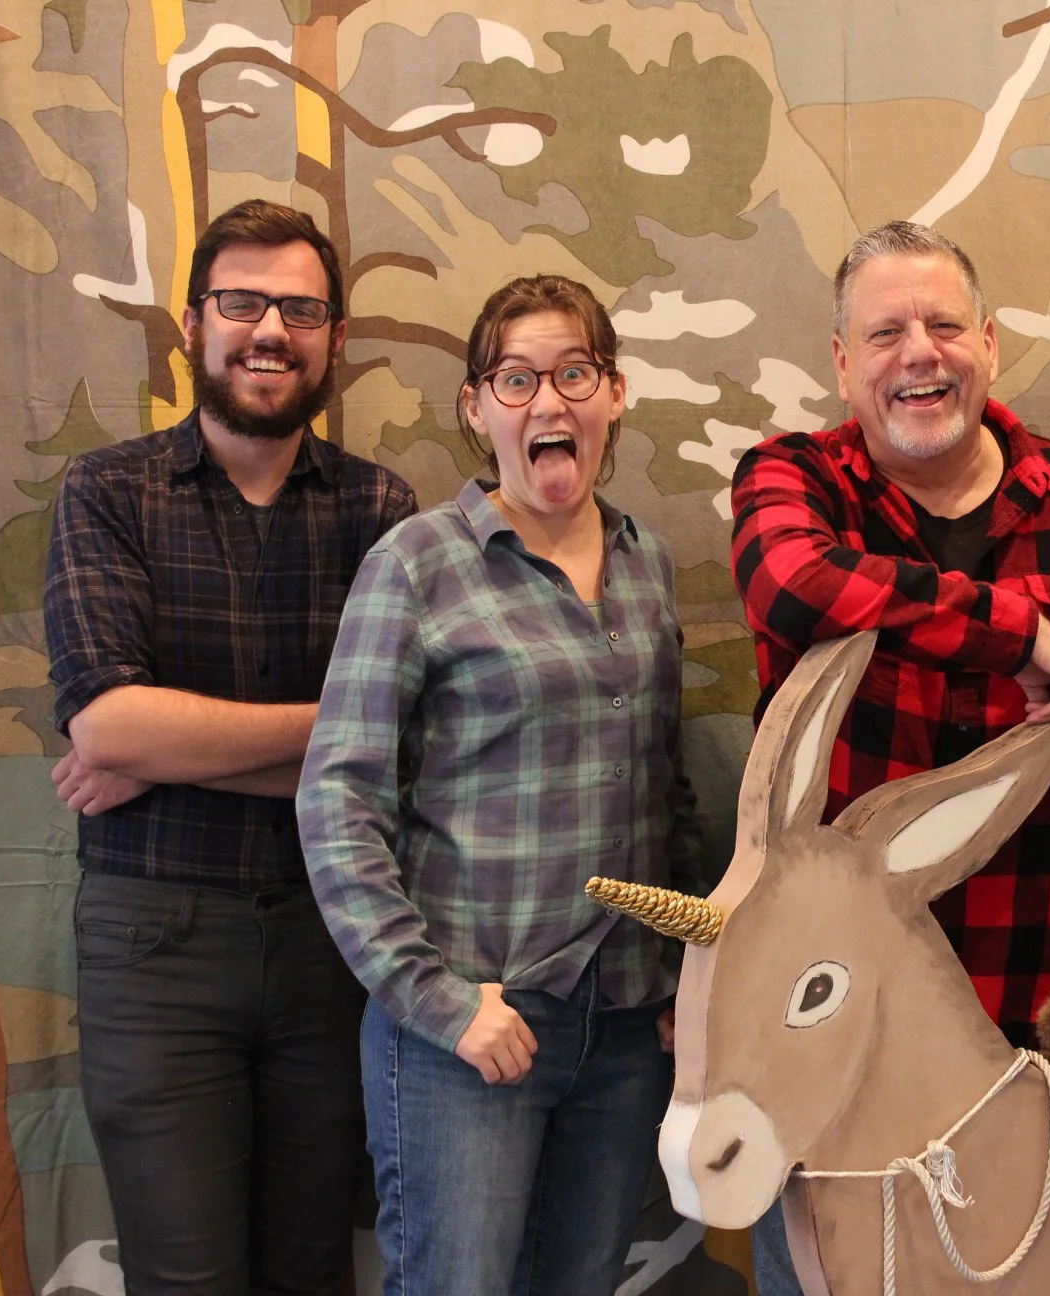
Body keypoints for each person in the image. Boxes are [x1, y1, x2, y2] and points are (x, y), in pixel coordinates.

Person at [730, 220, 1050, 1292]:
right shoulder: (792, 484)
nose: (920, 352)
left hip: (1032, 1011)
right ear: (843, 362)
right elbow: (793, 584)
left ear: (989, 343)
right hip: (836, 1025)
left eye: (944, 324)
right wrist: (1013, 630)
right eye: (886, 330)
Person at [296, 274, 700, 1294]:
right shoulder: (417, 567)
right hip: (466, 1031)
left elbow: (666, 789)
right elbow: (338, 804)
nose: (548, 403)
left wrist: (688, 976)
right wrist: (435, 1001)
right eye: (516, 379)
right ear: (477, 407)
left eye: (574, 372)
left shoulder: (648, 566)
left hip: (622, 1031)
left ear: (614, 394)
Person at [43, 199, 416, 1293]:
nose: (270, 330)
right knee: (187, 1277)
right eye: (243, 301)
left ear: (335, 338)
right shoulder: (107, 494)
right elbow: (106, 722)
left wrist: (166, 744)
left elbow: (408, 741)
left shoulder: (379, 511)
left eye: (300, 309)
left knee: (311, 1270)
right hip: (155, 946)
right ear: (195, 321)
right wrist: (341, 728)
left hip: (330, 936)